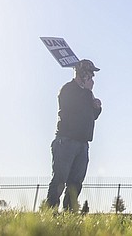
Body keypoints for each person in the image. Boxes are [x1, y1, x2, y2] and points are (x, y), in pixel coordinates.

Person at [44, 58, 102, 211]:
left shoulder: (87, 94)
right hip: (66, 141)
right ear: (82, 72)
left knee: (75, 183)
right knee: (60, 179)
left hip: (83, 143)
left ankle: (69, 212)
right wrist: (88, 93)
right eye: (90, 73)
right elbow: (73, 109)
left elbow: (90, 116)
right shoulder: (68, 89)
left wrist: (96, 107)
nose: (92, 77)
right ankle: (51, 211)